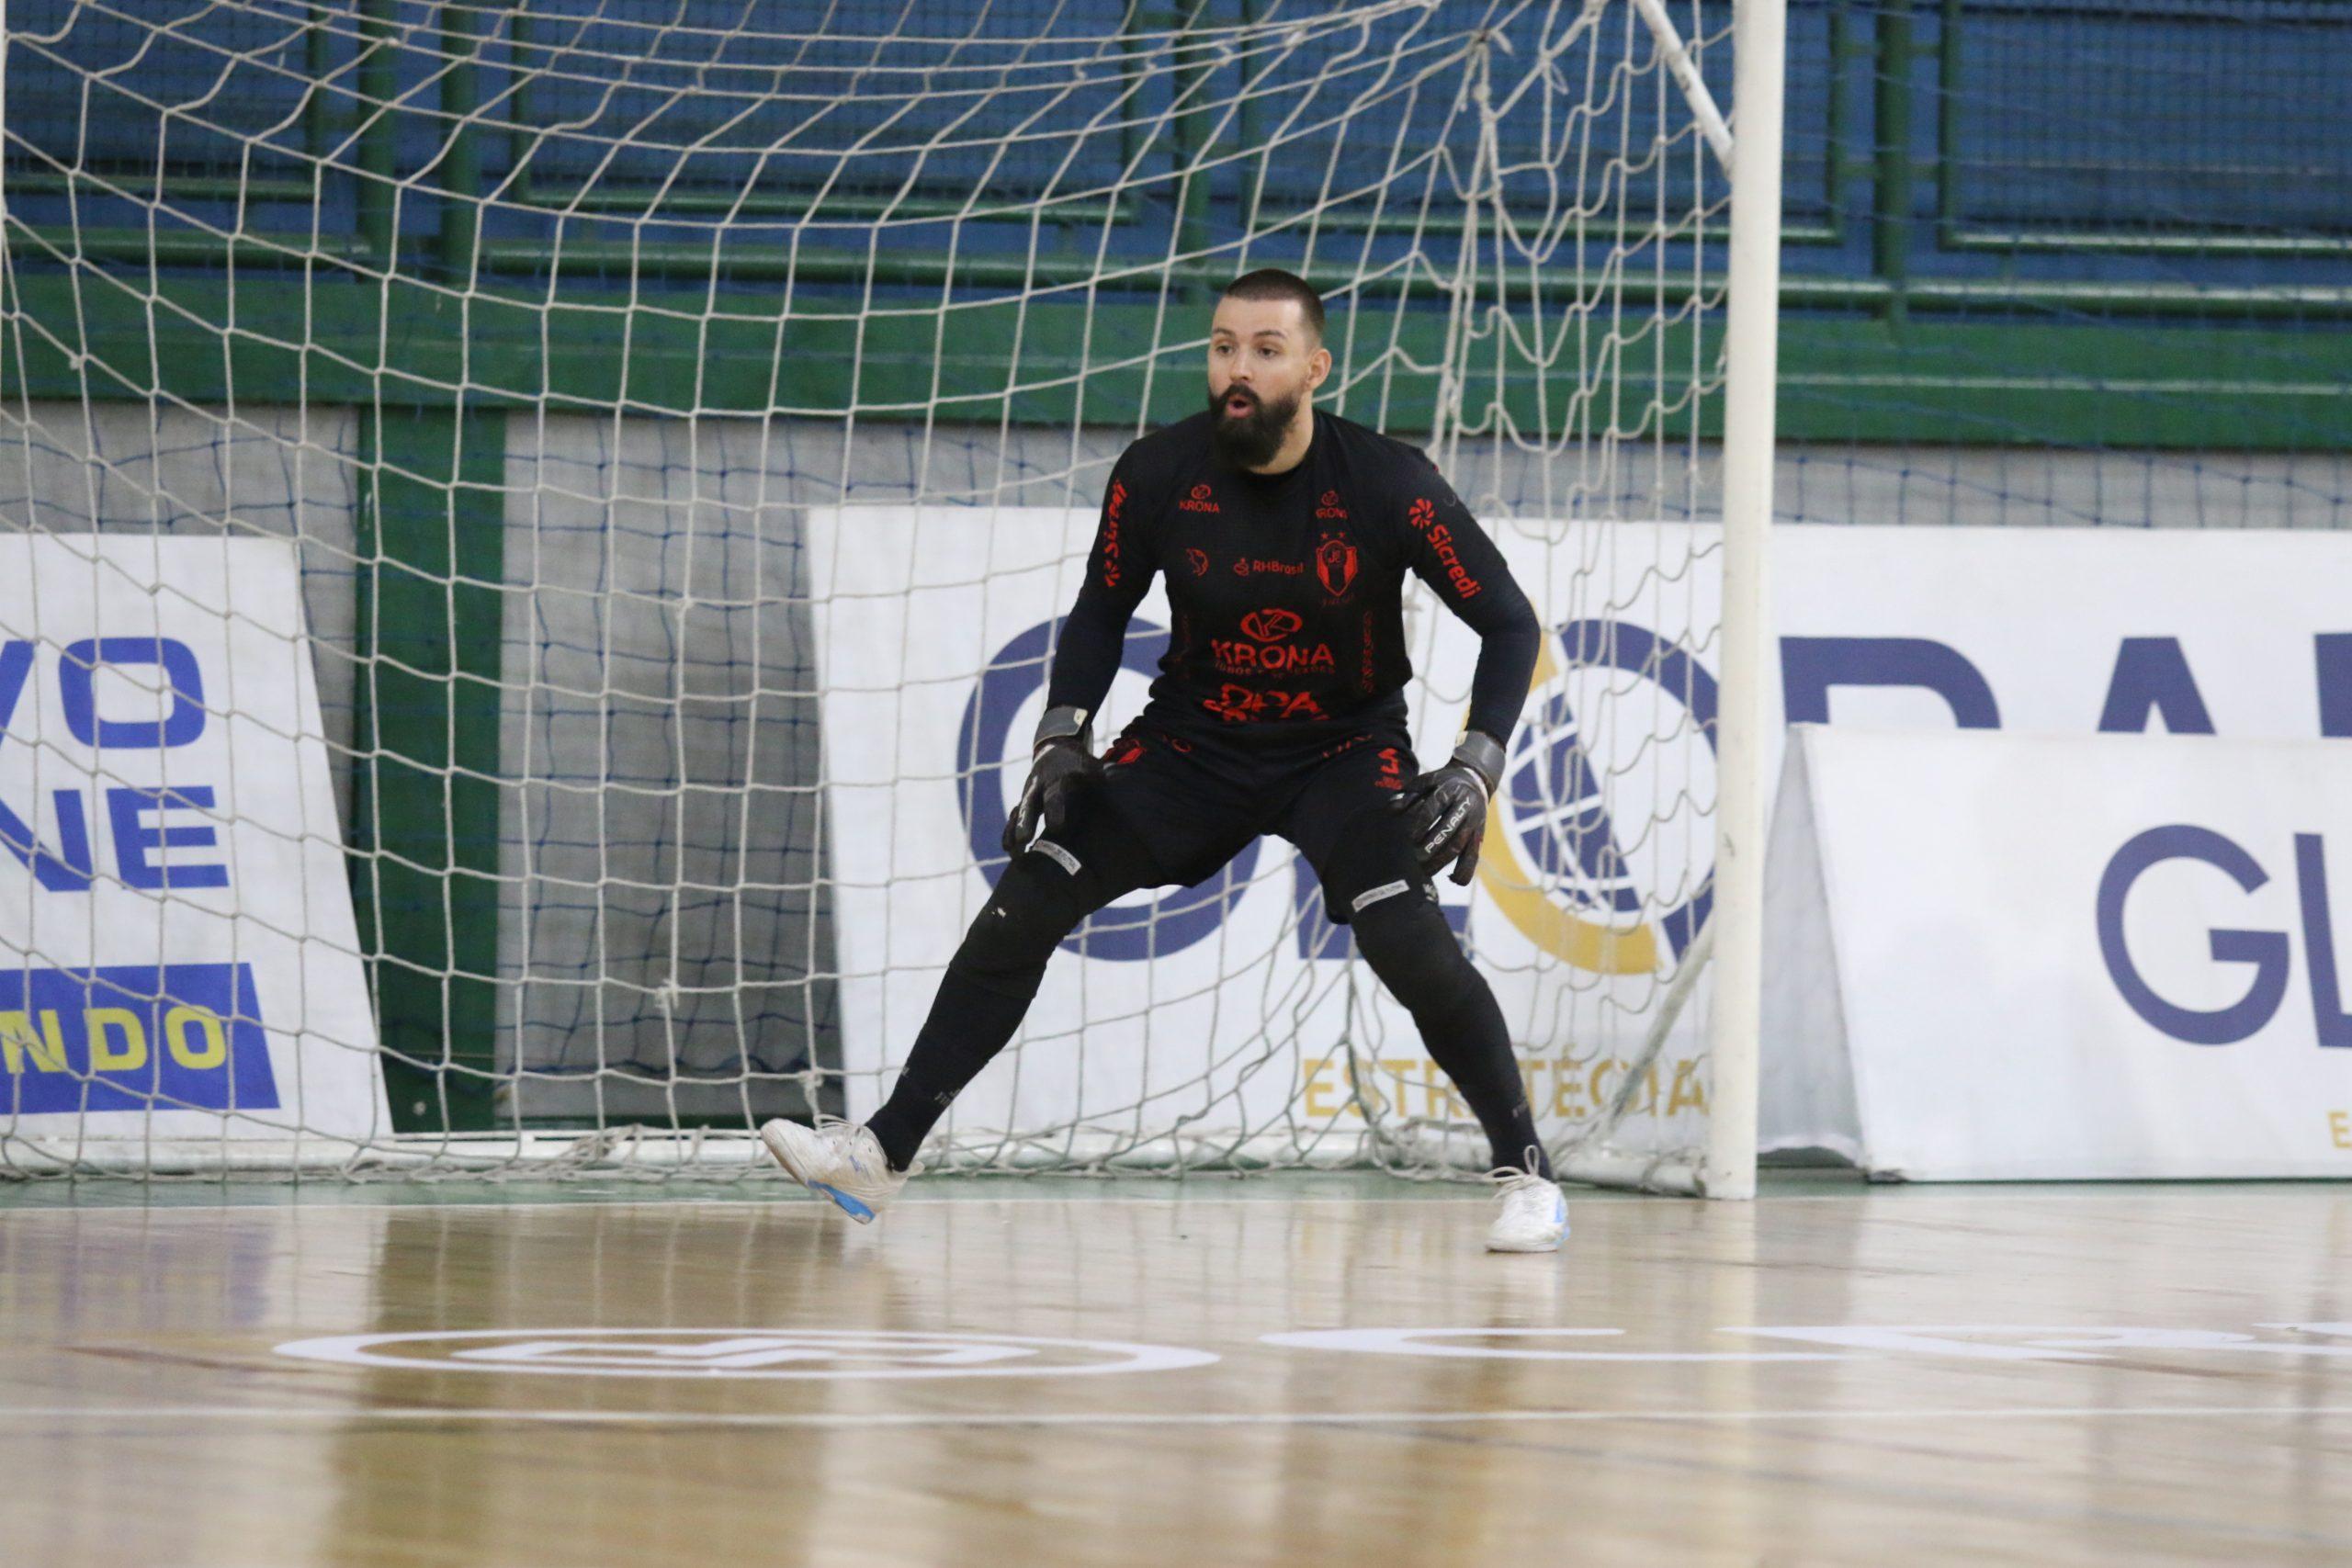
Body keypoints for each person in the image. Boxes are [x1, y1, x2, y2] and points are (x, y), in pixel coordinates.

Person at [763, 268, 1567, 1252]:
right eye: (1224, 345)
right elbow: (1100, 613)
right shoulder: (1155, 474)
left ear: (1314, 367)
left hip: (1343, 752)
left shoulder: (1388, 481)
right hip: (1191, 744)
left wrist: (1474, 766)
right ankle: (878, 1159)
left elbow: (1509, 623)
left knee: (1413, 946)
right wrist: (1062, 733)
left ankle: (1526, 1175)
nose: (1238, 369)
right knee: (1029, 896)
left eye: (1266, 350)